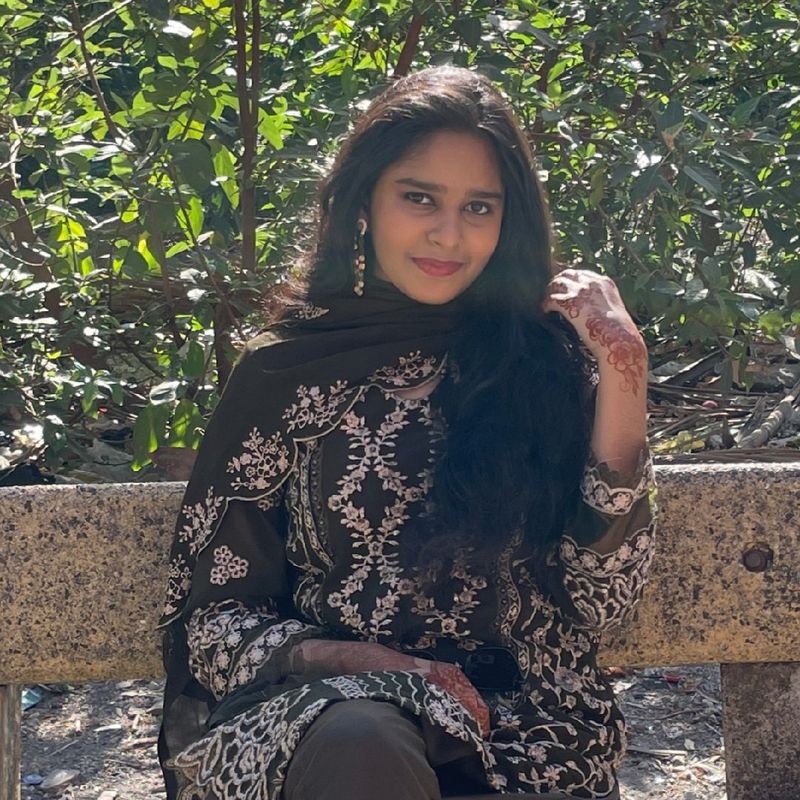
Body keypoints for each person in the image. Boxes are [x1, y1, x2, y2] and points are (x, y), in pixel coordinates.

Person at [157, 65, 656, 800]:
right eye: (419, 198)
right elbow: (215, 622)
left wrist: (622, 362)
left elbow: (602, 603)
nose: (448, 235)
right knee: (365, 740)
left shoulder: (545, 364)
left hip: (530, 736)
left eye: (479, 207)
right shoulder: (288, 372)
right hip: (332, 723)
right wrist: (368, 664)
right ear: (364, 202)